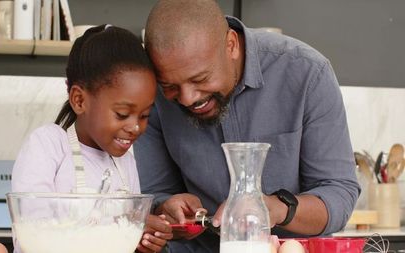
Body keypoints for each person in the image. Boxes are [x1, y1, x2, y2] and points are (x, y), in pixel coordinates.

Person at [133, 0, 360, 252]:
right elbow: (154, 194)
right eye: (170, 86)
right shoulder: (150, 90)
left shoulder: (306, 73)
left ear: (231, 45)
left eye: (200, 79)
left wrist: (276, 209)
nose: (187, 98)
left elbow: (339, 193)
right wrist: (167, 207)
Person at [12, 25, 172, 253]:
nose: (135, 126)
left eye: (145, 115)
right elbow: (32, 237)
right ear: (79, 100)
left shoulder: (125, 162)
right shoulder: (48, 145)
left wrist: (143, 239)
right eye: (123, 114)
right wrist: (119, 229)